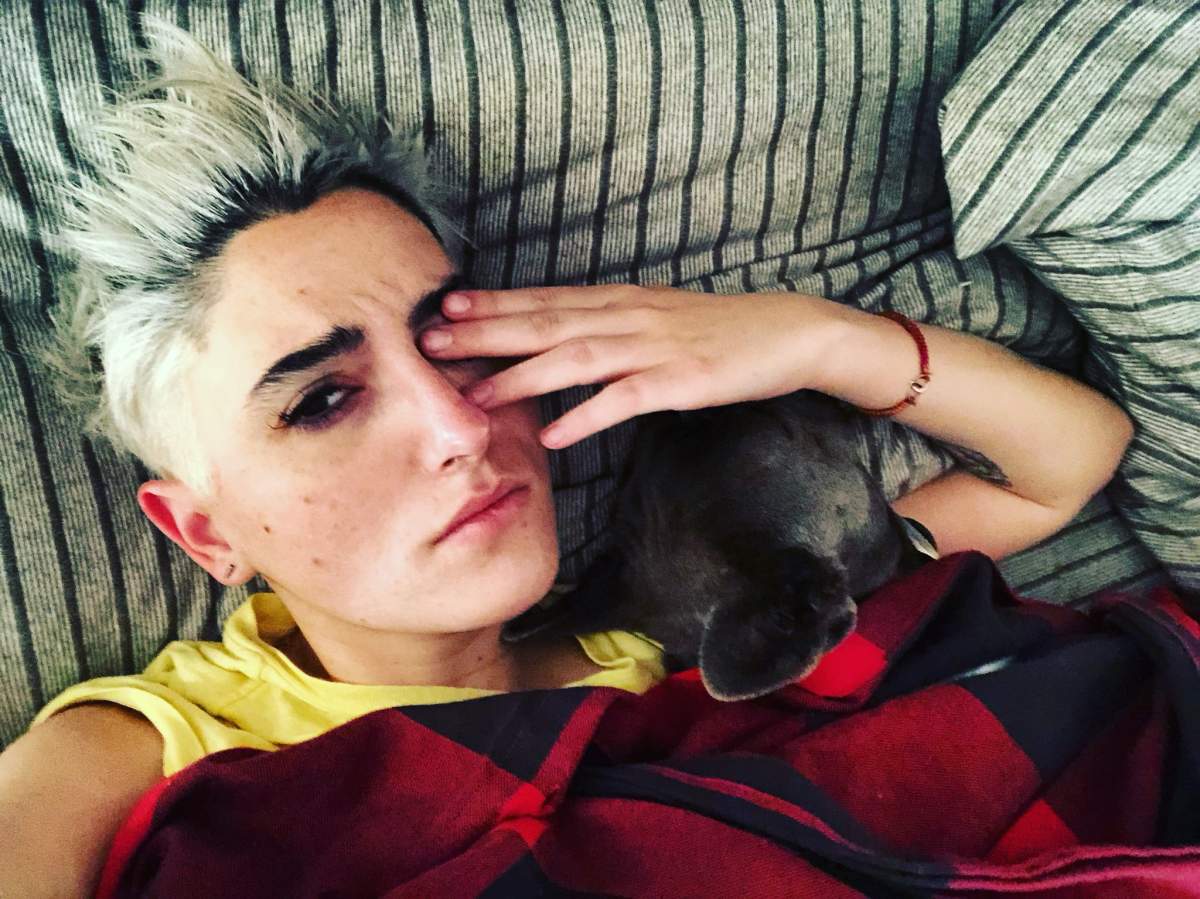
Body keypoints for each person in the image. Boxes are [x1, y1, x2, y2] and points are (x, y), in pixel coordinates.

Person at [0, 20, 1133, 897]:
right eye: (323, 400)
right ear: (204, 531)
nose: (458, 428)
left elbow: (1066, 465)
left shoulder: (690, 627)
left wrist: (811, 338)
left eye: (457, 346)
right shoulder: (129, 755)